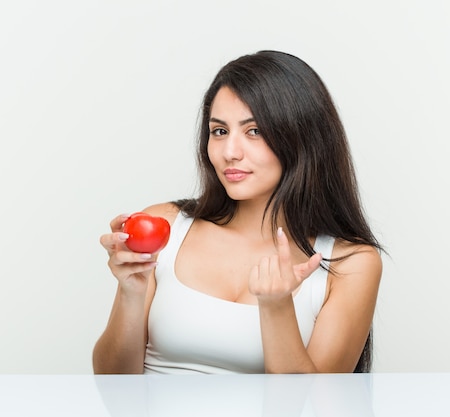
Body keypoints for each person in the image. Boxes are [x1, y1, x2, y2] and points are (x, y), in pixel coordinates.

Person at [93, 50, 383, 374]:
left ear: (302, 138)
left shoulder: (352, 262)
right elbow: (111, 382)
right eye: (219, 131)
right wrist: (131, 290)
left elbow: (314, 404)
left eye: (254, 131)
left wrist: (276, 308)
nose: (229, 152)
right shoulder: (166, 226)